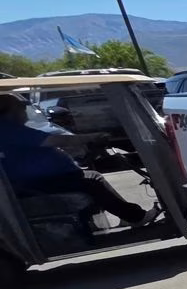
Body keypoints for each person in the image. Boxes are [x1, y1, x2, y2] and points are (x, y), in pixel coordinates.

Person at [0, 91, 155, 227]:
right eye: (21, 107)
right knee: (91, 185)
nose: (25, 111)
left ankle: (126, 217)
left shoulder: (12, 129)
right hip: (38, 182)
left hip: (46, 178)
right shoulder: (9, 130)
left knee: (94, 177)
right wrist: (91, 137)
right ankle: (135, 217)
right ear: (10, 111)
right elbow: (57, 141)